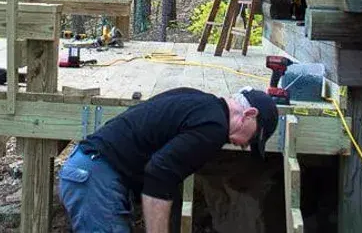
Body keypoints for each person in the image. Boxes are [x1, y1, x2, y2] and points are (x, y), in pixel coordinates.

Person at [59, 87, 279, 233]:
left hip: (90, 170)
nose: (246, 144)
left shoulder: (198, 101)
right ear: (249, 114)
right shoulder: (214, 128)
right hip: (95, 177)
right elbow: (159, 175)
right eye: (254, 136)